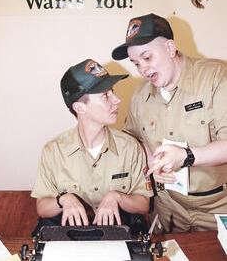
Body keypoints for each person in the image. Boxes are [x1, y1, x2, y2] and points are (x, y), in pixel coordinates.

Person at [112, 13, 227, 233]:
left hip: (216, 207)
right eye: (136, 63)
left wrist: (186, 156)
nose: (143, 70)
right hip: (167, 208)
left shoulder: (216, 78)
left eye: (147, 58)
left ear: (170, 48)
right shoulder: (139, 97)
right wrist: (151, 162)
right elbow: (134, 138)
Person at [31, 58, 153, 233]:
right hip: (71, 237)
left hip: (117, 234)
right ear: (80, 108)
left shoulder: (129, 147)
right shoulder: (53, 151)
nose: (117, 100)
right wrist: (63, 199)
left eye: (113, 92)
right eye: (106, 95)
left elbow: (143, 205)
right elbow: (42, 208)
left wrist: (118, 197)